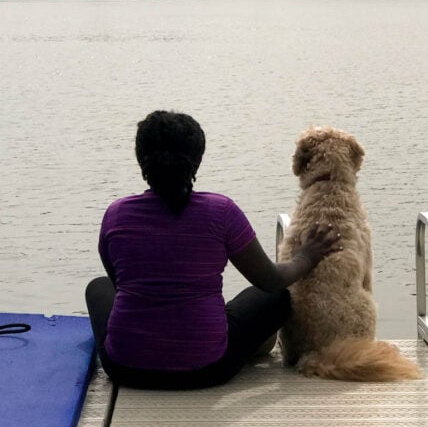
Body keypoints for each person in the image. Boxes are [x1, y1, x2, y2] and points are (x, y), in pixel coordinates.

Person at [85, 110, 341, 389]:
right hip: (207, 368)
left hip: (124, 368)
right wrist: (306, 255)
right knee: (277, 297)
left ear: (140, 159)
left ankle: (143, 339)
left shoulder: (116, 215)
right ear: (196, 160)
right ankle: (246, 345)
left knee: (98, 287)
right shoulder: (220, 212)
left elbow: (118, 280)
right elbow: (270, 280)